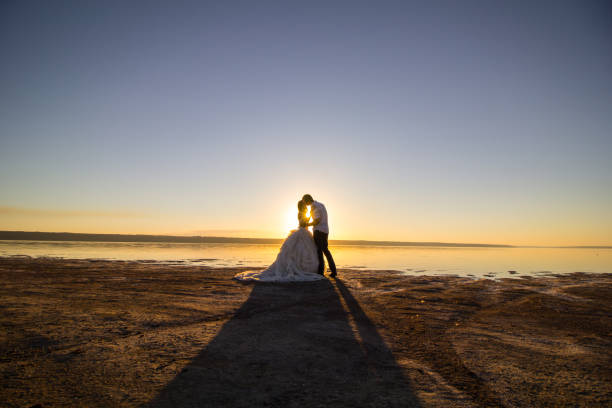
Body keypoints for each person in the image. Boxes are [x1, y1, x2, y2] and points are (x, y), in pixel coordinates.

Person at [234, 200, 323, 282]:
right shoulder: (300, 213)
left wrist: (310, 216)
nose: (305, 206)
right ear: (301, 206)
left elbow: (305, 222)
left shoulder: (302, 213)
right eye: (303, 205)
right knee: (298, 251)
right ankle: (300, 268)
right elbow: (303, 223)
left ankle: (305, 268)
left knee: (304, 251)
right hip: (302, 231)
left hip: (304, 232)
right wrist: (310, 219)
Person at [301, 194, 337, 277]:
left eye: (304, 202)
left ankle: (322, 271)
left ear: (307, 200)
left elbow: (317, 221)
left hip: (319, 231)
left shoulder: (315, 207)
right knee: (325, 250)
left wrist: (307, 224)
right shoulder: (320, 204)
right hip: (325, 230)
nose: (305, 204)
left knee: (320, 251)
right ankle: (331, 270)